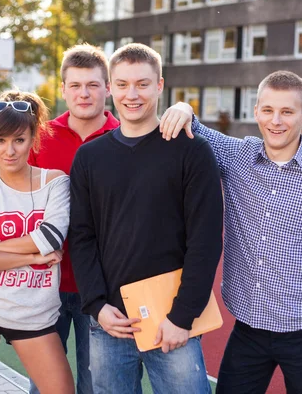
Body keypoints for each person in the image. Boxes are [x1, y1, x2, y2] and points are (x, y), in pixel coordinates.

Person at [161, 70, 302, 394]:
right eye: (268, 110)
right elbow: (193, 126)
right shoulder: (237, 155)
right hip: (248, 329)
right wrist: (184, 107)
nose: (276, 121)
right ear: (256, 112)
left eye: (287, 112)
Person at [27, 43, 195, 394]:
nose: (84, 94)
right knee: (44, 386)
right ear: (63, 90)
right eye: (75, 86)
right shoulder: (42, 138)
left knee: (95, 386)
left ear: (107, 87)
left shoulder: (131, 135)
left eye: (92, 85)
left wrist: (185, 109)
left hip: (104, 289)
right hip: (47, 284)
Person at [68, 43, 223, 394]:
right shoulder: (89, 158)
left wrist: (182, 316)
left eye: (142, 84)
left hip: (171, 321)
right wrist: (96, 305)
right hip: (110, 323)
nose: (131, 94)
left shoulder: (190, 149)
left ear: (160, 85)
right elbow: (81, 236)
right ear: (110, 88)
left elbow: (206, 239)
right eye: (122, 84)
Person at [0, 90, 74, 394]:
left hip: (34, 314)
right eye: (0, 140)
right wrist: (33, 256)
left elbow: (50, 237)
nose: (10, 151)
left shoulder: (55, 183)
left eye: (19, 140)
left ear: (33, 139)